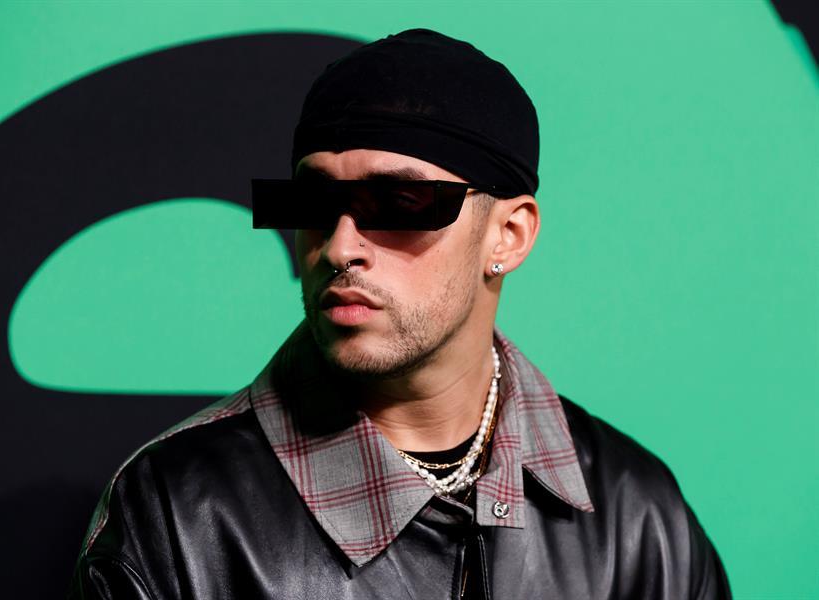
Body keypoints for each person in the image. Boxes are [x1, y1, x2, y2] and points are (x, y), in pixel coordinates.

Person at [69, 29, 730, 599]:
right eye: (313, 203)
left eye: (400, 203)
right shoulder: (176, 518)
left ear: (508, 236)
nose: (340, 247)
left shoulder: (638, 517)